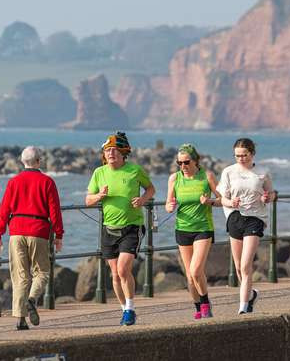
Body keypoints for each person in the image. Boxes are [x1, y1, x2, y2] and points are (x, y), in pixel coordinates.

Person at [85, 131, 155, 326]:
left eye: (114, 150)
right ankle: (124, 309)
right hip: (109, 228)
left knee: (124, 269)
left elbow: (151, 189)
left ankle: (131, 308)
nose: (110, 153)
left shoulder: (135, 170)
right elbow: (88, 200)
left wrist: (142, 200)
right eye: (107, 150)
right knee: (115, 274)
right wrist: (99, 196)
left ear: (124, 152)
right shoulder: (99, 173)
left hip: (132, 227)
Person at [0, 146, 64, 330]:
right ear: (39, 161)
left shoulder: (13, 182)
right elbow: (54, 211)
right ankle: (32, 299)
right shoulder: (47, 182)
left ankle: (20, 319)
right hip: (39, 231)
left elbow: (4, 211)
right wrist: (58, 235)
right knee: (42, 272)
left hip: (16, 232)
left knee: (20, 277)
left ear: (22, 162)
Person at [217, 137, 275, 314]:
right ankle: (250, 295)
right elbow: (222, 198)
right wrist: (230, 202)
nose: (241, 158)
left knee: (245, 265)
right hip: (235, 217)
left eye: (244, 155)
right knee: (238, 266)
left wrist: (267, 198)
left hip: (255, 218)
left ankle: (243, 307)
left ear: (252, 153)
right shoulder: (228, 172)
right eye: (237, 155)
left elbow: (271, 194)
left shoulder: (263, 172)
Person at [165, 143, 221, 320]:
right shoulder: (174, 179)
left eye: (186, 162)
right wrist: (170, 206)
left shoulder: (207, 176)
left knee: (196, 270)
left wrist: (209, 201)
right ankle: (197, 307)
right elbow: (168, 204)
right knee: (190, 276)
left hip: (203, 228)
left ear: (196, 161)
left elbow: (222, 200)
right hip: (183, 228)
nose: (183, 166)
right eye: (179, 163)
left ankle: (205, 302)